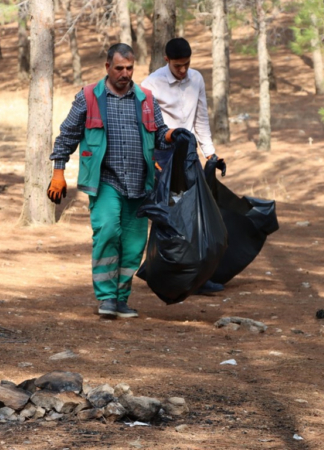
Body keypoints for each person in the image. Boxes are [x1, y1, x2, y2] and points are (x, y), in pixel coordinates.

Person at [48, 43, 176, 319]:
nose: (125, 73)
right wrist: (58, 171)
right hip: (105, 182)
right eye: (119, 68)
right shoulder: (88, 97)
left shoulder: (146, 99)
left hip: (141, 184)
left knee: (133, 244)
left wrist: (171, 136)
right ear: (108, 67)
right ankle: (106, 297)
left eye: (130, 68)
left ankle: (121, 298)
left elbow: (160, 133)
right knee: (107, 233)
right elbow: (67, 135)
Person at [142, 37, 227, 295]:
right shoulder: (151, 84)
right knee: (171, 217)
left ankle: (197, 277)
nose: (183, 70)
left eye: (187, 64)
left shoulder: (197, 79)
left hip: (188, 154)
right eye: (178, 65)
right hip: (163, 155)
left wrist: (211, 154)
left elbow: (201, 119)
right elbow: (146, 128)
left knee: (195, 216)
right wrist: (152, 161)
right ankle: (166, 274)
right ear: (166, 60)